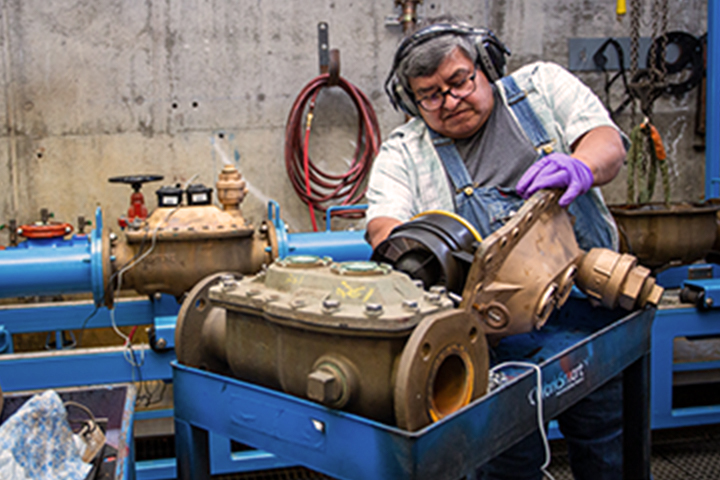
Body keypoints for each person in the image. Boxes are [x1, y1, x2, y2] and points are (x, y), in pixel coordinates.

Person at [366, 15, 628, 480]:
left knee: (608, 444)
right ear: (412, 101)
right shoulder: (405, 151)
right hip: (491, 338)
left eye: (459, 81)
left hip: (590, 311)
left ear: (485, 66)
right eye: (430, 94)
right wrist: (408, 248)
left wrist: (580, 167)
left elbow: (606, 141)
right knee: (504, 461)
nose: (449, 101)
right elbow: (384, 226)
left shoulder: (542, 88)